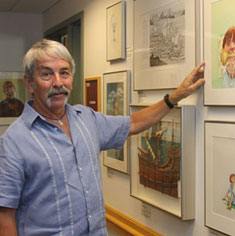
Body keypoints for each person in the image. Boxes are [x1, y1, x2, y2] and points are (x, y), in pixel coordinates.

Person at [0, 39, 205, 236]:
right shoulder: (14, 141)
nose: (58, 82)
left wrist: (176, 96)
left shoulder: (86, 118)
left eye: (64, 73)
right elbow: (5, 216)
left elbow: (132, 123)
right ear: (29, 83)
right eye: (46, 74)